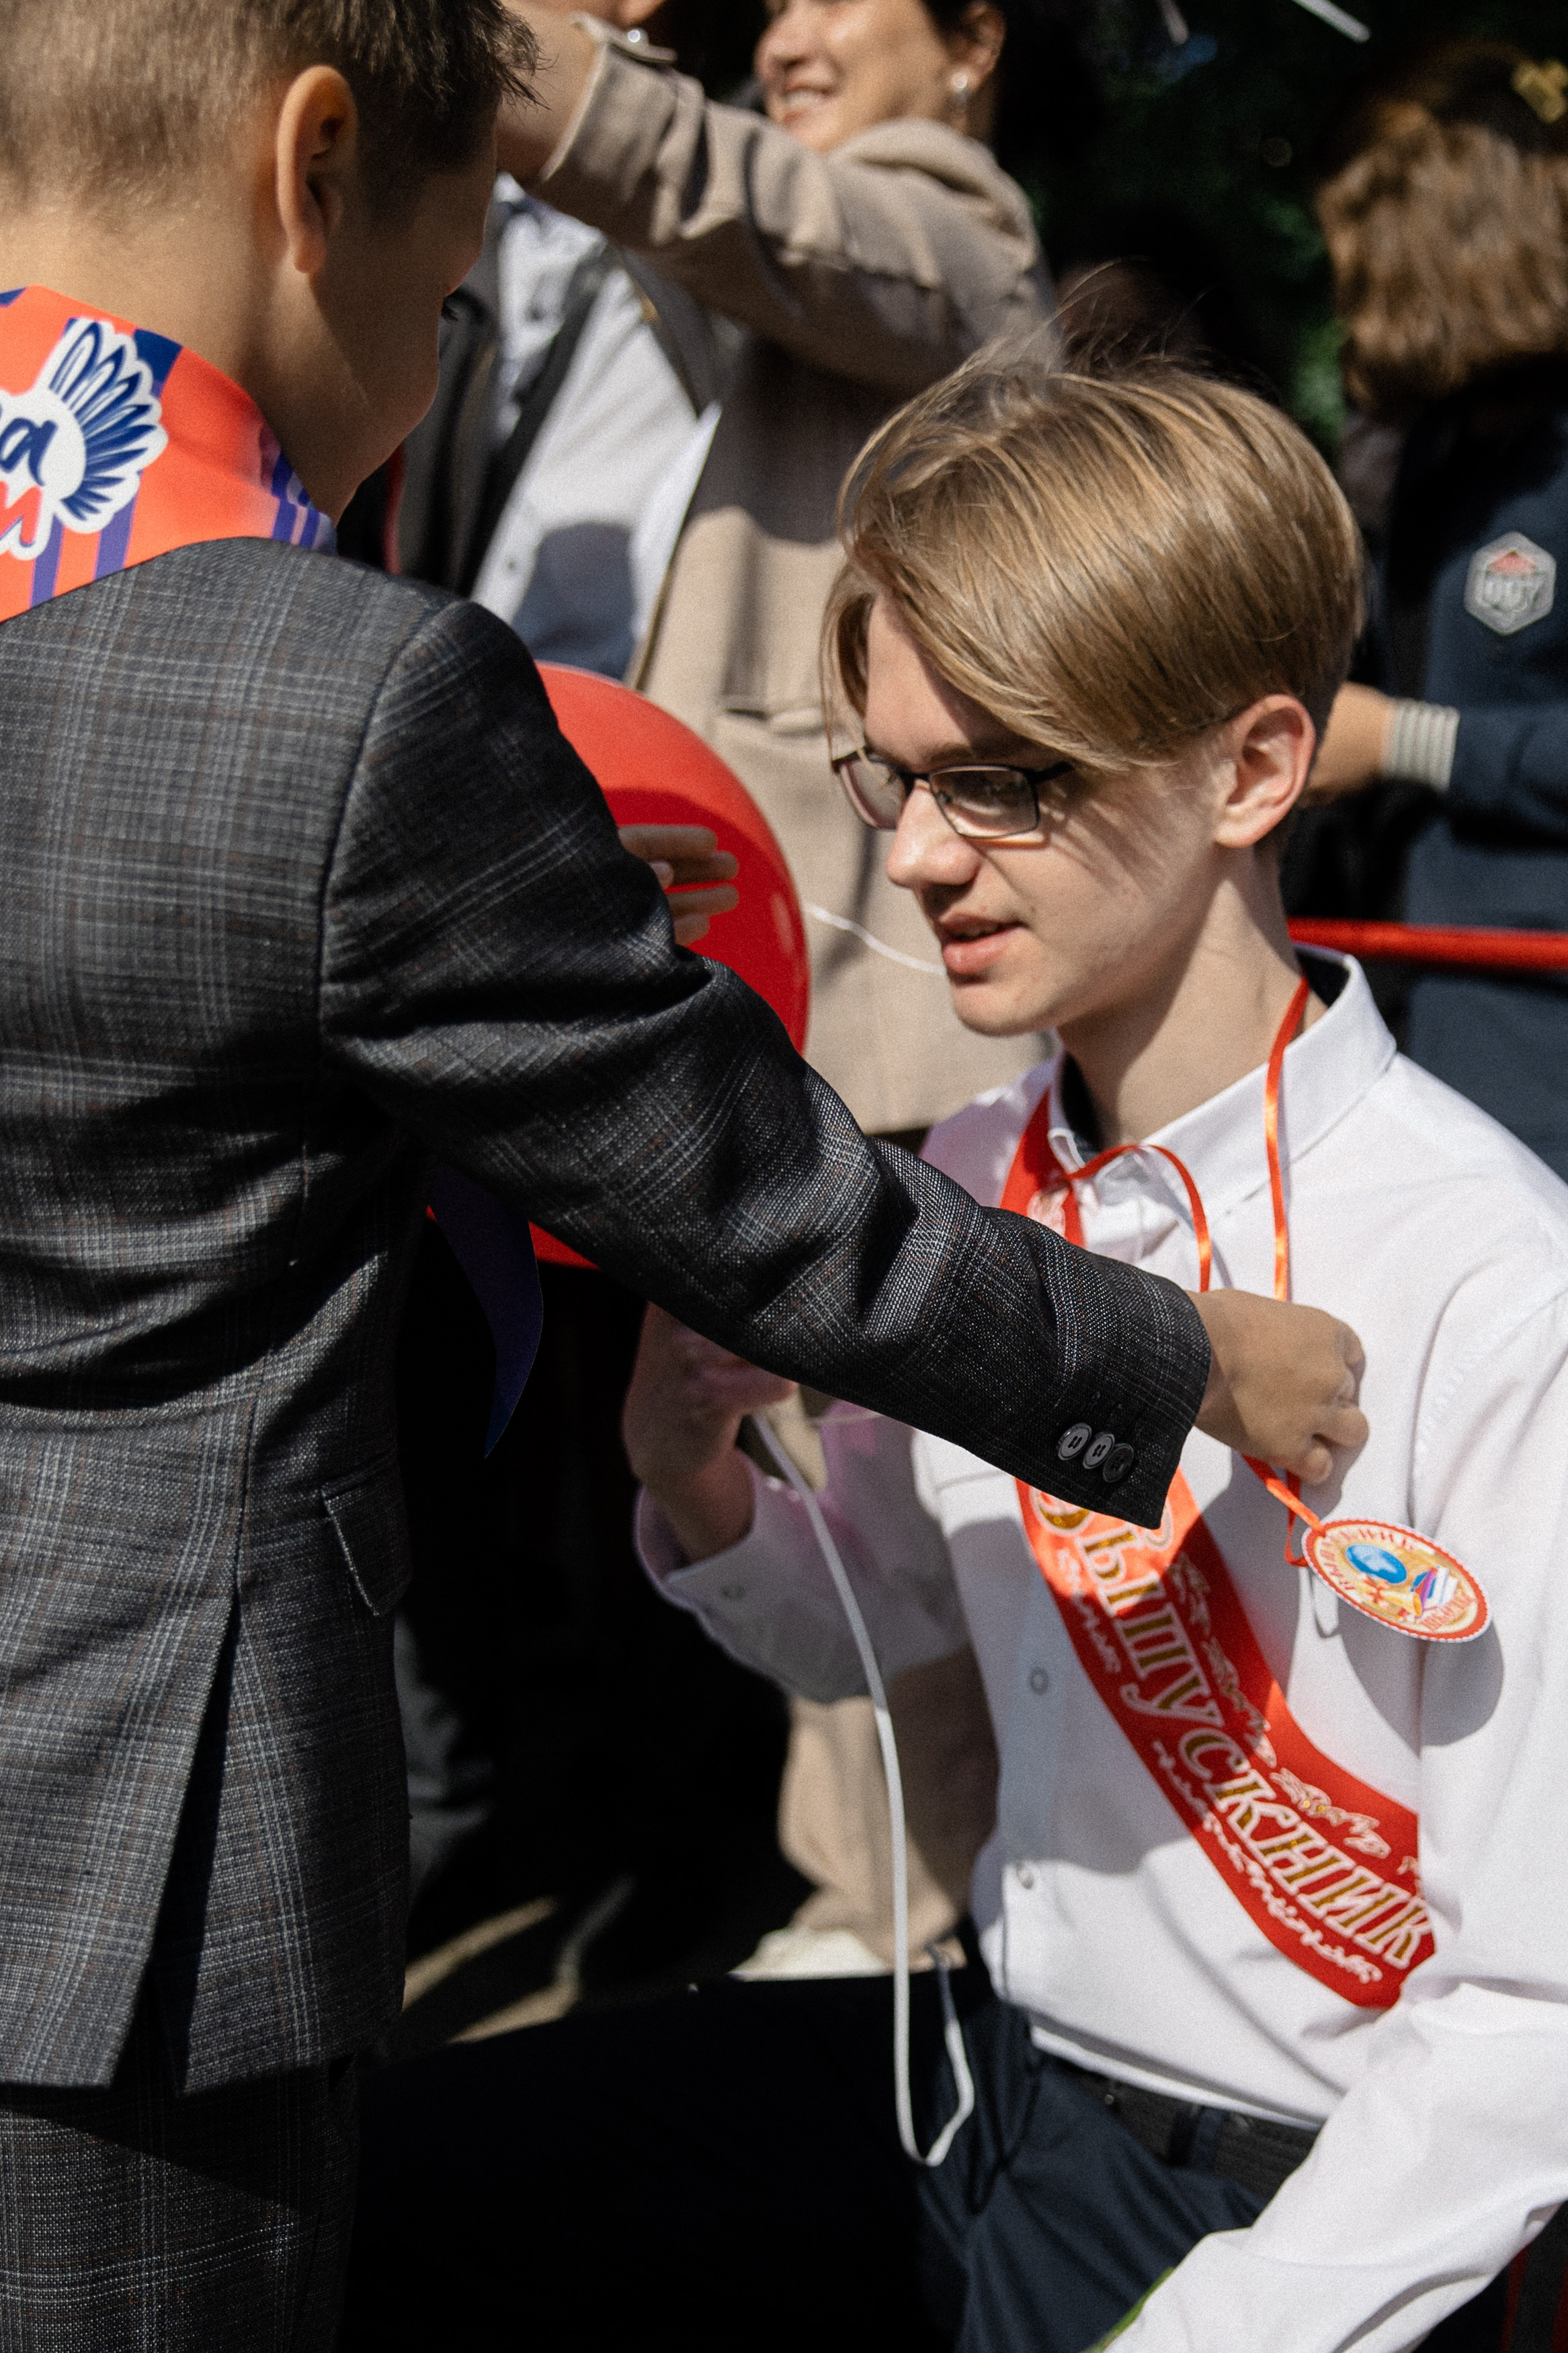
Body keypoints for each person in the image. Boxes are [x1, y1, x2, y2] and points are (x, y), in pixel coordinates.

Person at [0, 5, 1365, 2344]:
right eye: (450, 304)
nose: (433, 370)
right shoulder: (335, 694)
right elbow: (765, 1212)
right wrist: (1189, 1358)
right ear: (313, 175)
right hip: (114, 1880)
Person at [343, 354, 1568, 2353]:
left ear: (1255, 768)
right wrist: (706, 1485)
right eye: (891, 777)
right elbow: (900, 1641)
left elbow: (1534, 2005)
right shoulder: (981, 1175)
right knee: (388, 2190)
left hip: (1308, 2183)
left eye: (1005, 779)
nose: (915, 858)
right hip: (983, 2070)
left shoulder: (1490, 1281)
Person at [1306, 40, 1568, 1176]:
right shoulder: (1434, 459)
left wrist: (1399, 743)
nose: (1351, 298)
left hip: (1539, 1012)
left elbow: (1417, 727)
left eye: (1367, 257)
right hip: (1419, 1005)